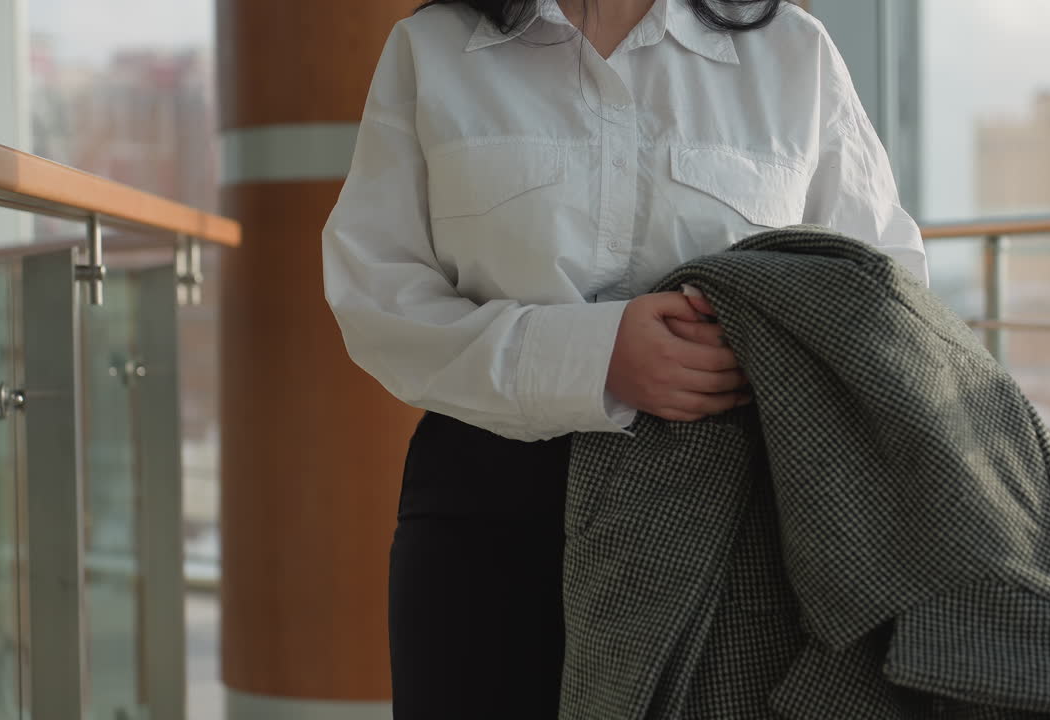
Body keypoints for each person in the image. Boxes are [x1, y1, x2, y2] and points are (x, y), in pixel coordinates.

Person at [320, 0, 930, 716]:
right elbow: (378, 297)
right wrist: (598, 357)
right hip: (489, 506)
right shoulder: (431, 49)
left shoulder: (793, 51)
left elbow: (882, 286)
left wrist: (756, 347)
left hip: (731, 523)